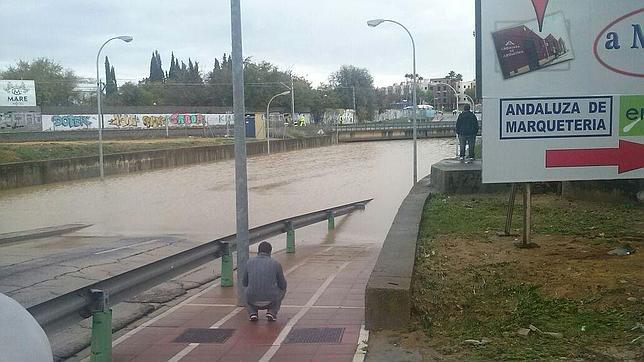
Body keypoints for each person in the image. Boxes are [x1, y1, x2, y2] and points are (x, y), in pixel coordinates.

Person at [242, 241, 287, 322]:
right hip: (271, 300)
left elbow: (244, 282)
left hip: (252, 299)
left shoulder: (249, 262)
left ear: (258, 251)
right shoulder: (276, 264)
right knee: (283, 289)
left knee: (245, 289)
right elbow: (282, 285)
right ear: (270, 252)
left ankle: (252, 312)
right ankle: (272, 311)